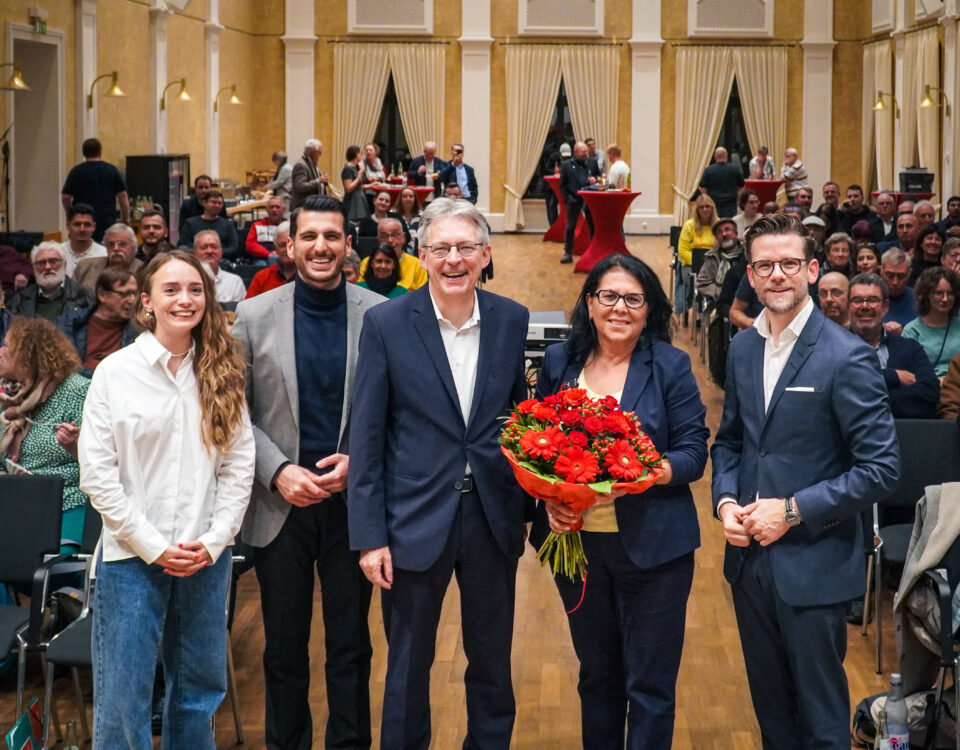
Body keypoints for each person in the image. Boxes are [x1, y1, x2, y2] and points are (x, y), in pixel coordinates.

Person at [712, 214, 900, 750]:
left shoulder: (847, 357)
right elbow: (730, 442)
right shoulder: (744, 348)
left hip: (813, 564)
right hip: (748, 563)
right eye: (765, 265)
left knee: (819, 722)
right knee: (772, 715)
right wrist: (727, 503)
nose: (777, 275)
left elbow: (881, 468)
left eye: (789, 264)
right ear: (750, 274)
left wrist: (791, 510)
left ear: (812, 269)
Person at [349, 197, 530, 750]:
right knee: (406, 667)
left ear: (485, 255)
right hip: (411, 523)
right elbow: (366, 435)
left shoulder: (511, 319)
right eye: (441, 248)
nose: (454, 258)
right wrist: (369, 537)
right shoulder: (385, 323)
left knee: (493, 664)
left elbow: (518, 419)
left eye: (466, 247)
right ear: (422, 255)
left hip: (491, 520)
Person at [530, 253, 708, 749]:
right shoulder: (559, 362)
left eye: (634, 298)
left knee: (650, 685)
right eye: (608, 296)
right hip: (579, 552)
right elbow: (534, 445)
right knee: (597, 677)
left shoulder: (670, 365)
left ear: (649, 310)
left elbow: (694, 451)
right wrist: (549, 503)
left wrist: (655, 473)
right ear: (589, 303)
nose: (619, 308)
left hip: (656, 551)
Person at [78, 250, 254, 748]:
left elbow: (239, 466)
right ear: (146, 303)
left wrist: (216, 539)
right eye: (171, 289)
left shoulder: (223, 371)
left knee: (197, 694)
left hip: (204, 557)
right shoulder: (116, 372)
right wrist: (153, 545)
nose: (185, 299)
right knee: (123, 697)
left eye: (195, 289)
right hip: (131, 559)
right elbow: (97, 474)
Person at [232, 194, 382, 750]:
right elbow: (233, 414)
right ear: (289, 245)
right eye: (310, 236)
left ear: (349, 246)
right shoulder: (252, 315)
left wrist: (360, 463)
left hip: (352, 505)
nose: (321, 246)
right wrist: (276, 473)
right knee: (284, 649)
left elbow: (397, 412)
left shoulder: (381, 314)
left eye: (333, 237)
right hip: (280, 508)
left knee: (351, 647)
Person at [0, 317, 90, 547]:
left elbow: (102, 457)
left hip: (66, 504)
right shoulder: (6, 398)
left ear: (30, 354)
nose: (1, 351)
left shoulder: (76, 391)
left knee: (53, 566)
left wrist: (75, 446)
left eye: (8, 346)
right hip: (14, 504)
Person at [848, 273, 940, 419]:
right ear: (848, 307)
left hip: (904, 436)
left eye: (872, 300)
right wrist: (893, 376)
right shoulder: (834, 348)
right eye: (857, 300)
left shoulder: (910, 348)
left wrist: (868, 398)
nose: (864, 306)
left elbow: (930, 393)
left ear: (886, 306)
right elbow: (837, 392)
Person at [59, 266, 138, 377]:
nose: (132, 300)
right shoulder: (70, 323)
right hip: (79, 385)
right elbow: (65, 366)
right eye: (124, 294)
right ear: (102, 295)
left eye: (134, 294)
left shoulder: (138, 329)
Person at [61, 137, 130, 243]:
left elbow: (66, 197)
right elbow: (123, 196)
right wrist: (125, 218)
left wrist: (69, 215)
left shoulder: (76, 171)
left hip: (82, 221)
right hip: (106, 220)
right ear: (100, 151)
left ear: (83, 153)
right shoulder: (111, 170)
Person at [6, 242, 95, 323]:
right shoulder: (19, 300)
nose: (48, 267)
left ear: (65, 265)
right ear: (33, 268)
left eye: (53, 261)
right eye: (41, 263)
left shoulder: (85, 297)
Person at [903, 267, 960, 377]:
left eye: (950, 294)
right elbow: (909, 371)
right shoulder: (912, 331)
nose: (945, 299)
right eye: (939, 293)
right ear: (926, 295)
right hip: (929, 388)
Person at [559, 141, 601, 264]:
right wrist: (568, 199)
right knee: (570, 226)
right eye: (583, 152)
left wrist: (596, 179)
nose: (585, 154)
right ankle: (568, 253)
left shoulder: (592, 163)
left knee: (592, 225)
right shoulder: (566, 165)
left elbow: (599, 177)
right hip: (574, 199)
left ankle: (594, 251)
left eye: (586, 151)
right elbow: (562, 185)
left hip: (590, 200)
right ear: (575, 152)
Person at [358, 218, 427, 291]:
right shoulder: (367, 262)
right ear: (378, 240)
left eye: (394, 235)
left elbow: (422, 295)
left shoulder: (417, 264)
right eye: (384, 236)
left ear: (403, 237)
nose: (390, 240)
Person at [73, 223, 143, 291]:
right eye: (111, 244)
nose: (116, 248)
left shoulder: (143, 270)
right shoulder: (84, 266)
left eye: (122, 244)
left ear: (133, 247)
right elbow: (70, 296)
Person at [179, 190, 239, 259]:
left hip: (222, 260)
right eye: (213, 202)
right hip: (196, 260)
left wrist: (217, 253)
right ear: (204, 203)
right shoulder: (190, 223)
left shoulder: (228, 224)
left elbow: (233, 246)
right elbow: (185, 244)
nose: (217, 205)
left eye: (220, 203)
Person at [696, 217, 744, 302]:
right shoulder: (712, 257)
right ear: (716, 238)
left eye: (727, 229)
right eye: (719, 232)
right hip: (719, 302)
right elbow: (702, 284)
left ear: (736, 233)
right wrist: (723, 293)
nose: (724, 234)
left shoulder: (747, 253)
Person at [192, 230, 246, 304]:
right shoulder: (185, 281)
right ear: (194, 253)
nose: (209, 251)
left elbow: (240, 313)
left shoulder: (235, 282)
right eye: (203, 247)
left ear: (221, 252)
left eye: (214, 247)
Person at [245, 221, 295, 298]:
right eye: (282, 245)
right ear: (275, 249)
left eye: (291, 244)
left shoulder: (310, 277)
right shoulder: (261, 278)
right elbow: (247, 309)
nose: (287, 249)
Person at [60, 203, 106, 276]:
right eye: (77, 224)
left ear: (94, 227)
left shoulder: (104, 255)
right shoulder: (58, 253)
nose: (82, 229)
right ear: (68, 226)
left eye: (87, 225)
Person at [698, 147, 744, 219]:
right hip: (731, 205)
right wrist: (738, 199)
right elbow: (742, 186)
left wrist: (708, 200)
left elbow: (701, 188)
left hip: (714, 205)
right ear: (726, 155)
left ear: (715, 156)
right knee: (729, 226)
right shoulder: (735, 169)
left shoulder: (709, 170)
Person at [177, 175, 228, 239]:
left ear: (211, 188)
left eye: (206, 188)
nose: (203, 190)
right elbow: (182, 229)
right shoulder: (187, 205)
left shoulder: (218, 205)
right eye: (200, 187)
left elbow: (225, 225)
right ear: (195, 188)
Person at [880, 248, 918, 333]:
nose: (895, 282)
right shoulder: (868, 298)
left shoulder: (919, 299)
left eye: (901, 276)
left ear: (909, 274)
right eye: (889, 275)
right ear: (881, 271)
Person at [290, 138, 328, 210]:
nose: (320, 155)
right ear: (312, 152)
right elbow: (300, 186)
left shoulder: (312, 164)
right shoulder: (301, 165)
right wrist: (318, 181)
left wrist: (323, 181)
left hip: (313, 206)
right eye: (319, 152)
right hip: (303, 208)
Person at [341, 144, 370, 223]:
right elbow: (348, 188)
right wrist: (359, 176)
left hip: (359, 199)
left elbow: (358, 186)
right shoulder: (348, 169)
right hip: (353, 202)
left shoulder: (356, 167)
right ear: (357, 154)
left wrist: (371, 185)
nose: (361, 155)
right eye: (361, 153)